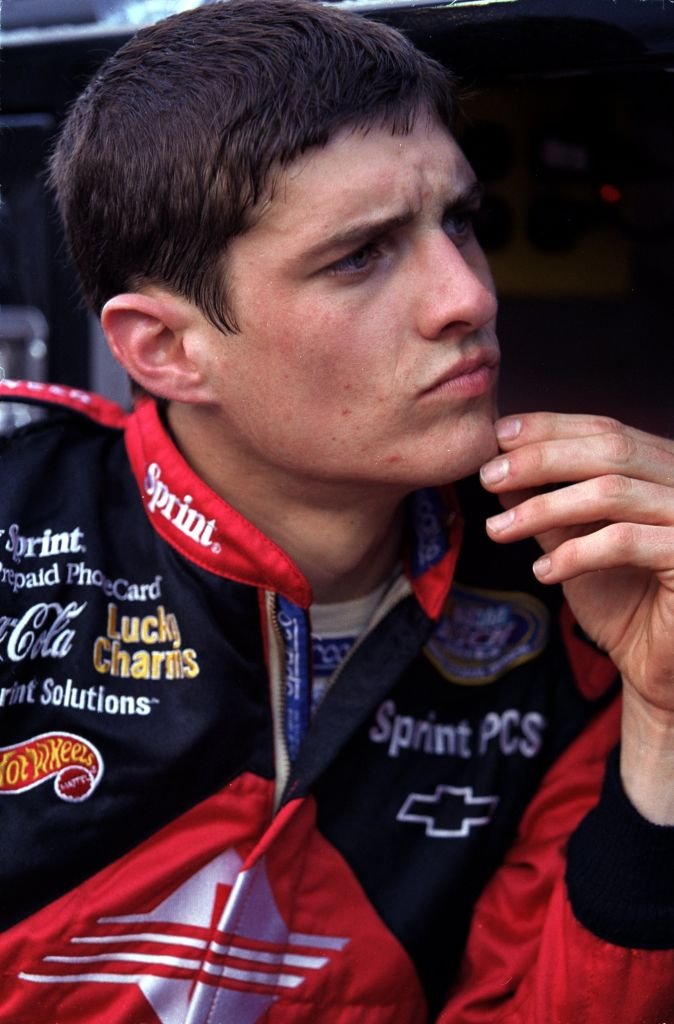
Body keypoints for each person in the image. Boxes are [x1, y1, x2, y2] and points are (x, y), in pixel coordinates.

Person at [0, 1, 673, 1020]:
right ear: (165, 350)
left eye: (458, 220)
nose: (466, 296)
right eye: (359, 255)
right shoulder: (17, 530)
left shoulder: (577, 596)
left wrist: (664, 713)